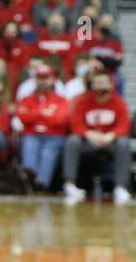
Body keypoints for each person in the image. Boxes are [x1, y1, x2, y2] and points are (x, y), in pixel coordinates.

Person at [62, 69, 131, 205]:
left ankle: (120, 187)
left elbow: (124, 125)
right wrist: (89, 134)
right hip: (89, 141)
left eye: (104, 83)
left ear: (111, 84)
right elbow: (75, 123)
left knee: (123, 143)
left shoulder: (119, 102)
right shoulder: (82, 100)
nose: (101, 86)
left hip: (110, 141)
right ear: (92, 85)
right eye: (97, 83)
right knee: (72, 141)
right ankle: (70, 184)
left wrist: (110, 135)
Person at [14, 63, 70, 192]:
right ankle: (29, 178)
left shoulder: (61, 100)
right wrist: (42, 113)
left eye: (45, 78)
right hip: (32, 134)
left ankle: (41, 184)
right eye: (40, 78)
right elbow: (22, 117)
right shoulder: (27, 99)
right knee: (29, 143)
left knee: (48, 152)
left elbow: (60, 120)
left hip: (54, 135)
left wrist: (35, 115)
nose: (43, 82)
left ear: (52, 80)